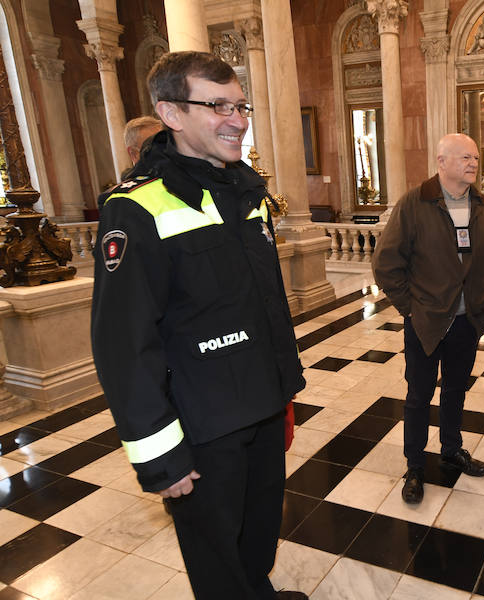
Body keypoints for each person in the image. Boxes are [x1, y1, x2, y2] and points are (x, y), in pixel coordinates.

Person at [91, 51, 307, 600]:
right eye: (217, 106)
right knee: (217, 561)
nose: (237, 120)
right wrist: (160, 456)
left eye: (240, 105)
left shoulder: (247, 192)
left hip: (261, 405)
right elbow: (123, 346)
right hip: (203, 425)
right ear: (171, 113)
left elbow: (260, 303)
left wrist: (284, 391)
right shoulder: (138, 208)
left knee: (258, 536)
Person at [372, 133, 484, 504]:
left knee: (455, 390)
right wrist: (411, 308)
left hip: (468, 322)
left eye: (476, 158)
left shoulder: (482, 205)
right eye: (465, 157)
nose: (473, 164)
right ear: (441, 161)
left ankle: (452, 448)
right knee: (418, 396)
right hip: (427, 321)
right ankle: (415, 465)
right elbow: (385, 264)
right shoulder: (415, 204)